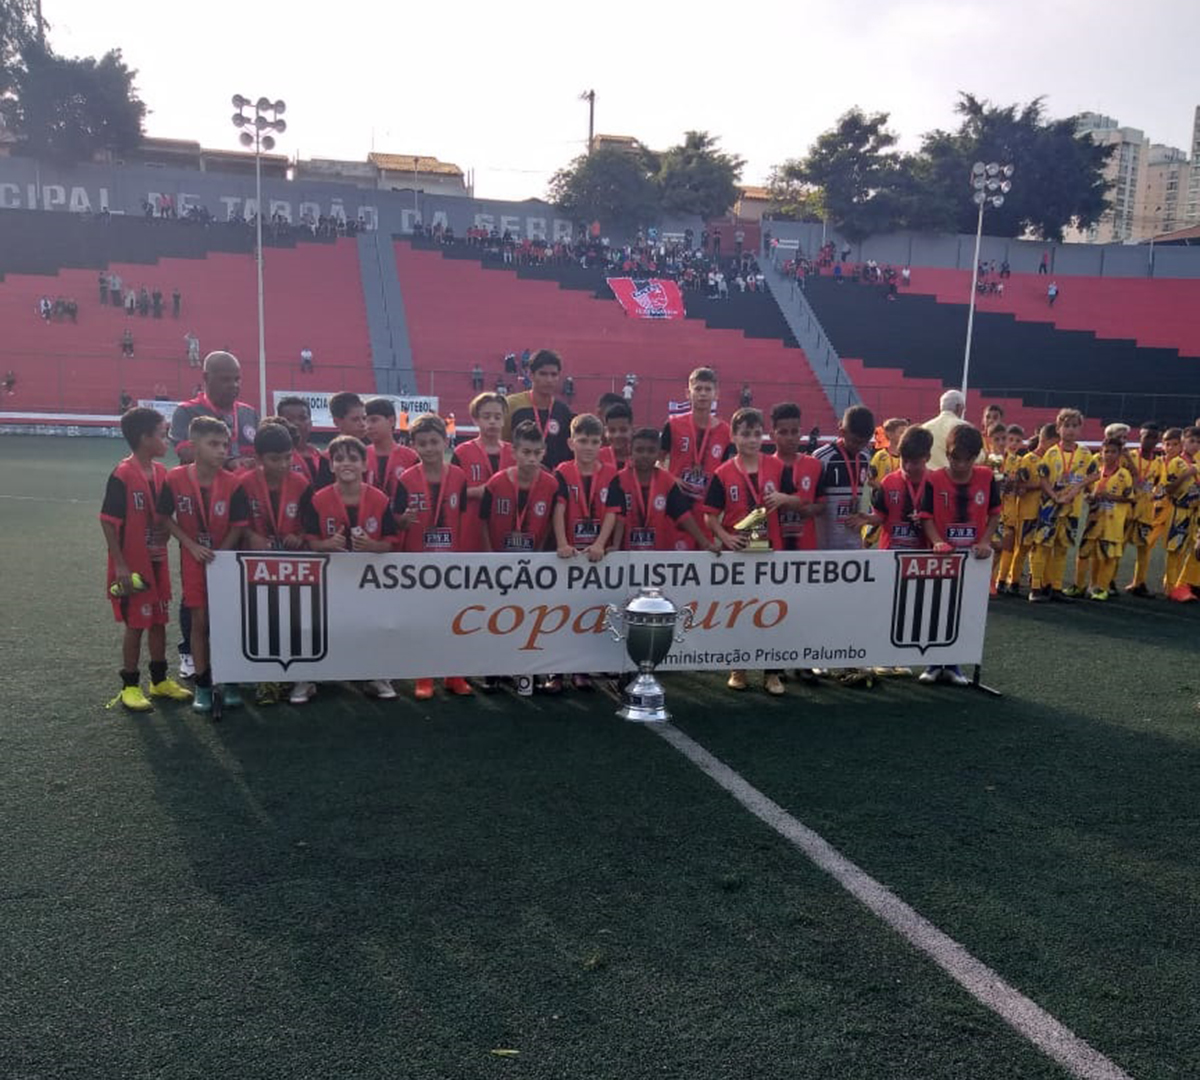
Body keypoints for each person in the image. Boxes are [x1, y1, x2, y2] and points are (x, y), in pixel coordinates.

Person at [99, 407, 192, 712]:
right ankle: (129, 686)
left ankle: (159, 680)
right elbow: (108, 522)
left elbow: (164, 515)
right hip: (133, 566)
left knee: (159, 620)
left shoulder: (162, 473)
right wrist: (121, 565)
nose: (167, 440)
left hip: (158, 561)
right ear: (144, 438)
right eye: (163, 435)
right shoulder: (122, 474)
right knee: (136, 624)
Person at [703, 407, 799, 696]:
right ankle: (738, 668)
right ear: (733, 437)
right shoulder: (722, 473)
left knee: (773, 612)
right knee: (741, 612)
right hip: (740, 554)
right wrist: (724, 537)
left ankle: (772, 673)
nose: (751, 440)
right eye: (745, 434)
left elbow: (798, 501)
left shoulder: (777, 467)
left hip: (771, 551)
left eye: (757, 434)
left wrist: (784, 498)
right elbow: (709, 515)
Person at [158, 417, 251, 714]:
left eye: (225, 444)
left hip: (225, 562)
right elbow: (163, 516)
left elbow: (239, 524)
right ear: (193, 445)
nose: (222, 450)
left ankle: (231, 680)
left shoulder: (233, 483)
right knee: (200, 622)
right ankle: (203, 683)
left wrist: (221, 554)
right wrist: (190, 544)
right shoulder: (174, 479)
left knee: (228, 622)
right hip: (194, 560)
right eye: (213, 444)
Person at [302, 435, 398, 700]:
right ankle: (308, 677)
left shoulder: (379, 499)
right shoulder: (318, 500)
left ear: (365, 464)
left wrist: (371, 545)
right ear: (331, 465)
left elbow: (390, 543)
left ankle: (377, 675)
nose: (347, 464)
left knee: (371, 625)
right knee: (318, 624)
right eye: (339, 459)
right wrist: (326, 543)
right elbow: (308, 541)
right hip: (329, 578)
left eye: (353, 459)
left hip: (369, 578)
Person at [478, 421, 563, 695]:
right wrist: (490, 554)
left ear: (544, 452)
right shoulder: (497, 482)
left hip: (533, 564)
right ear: (513, 451)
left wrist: (540, 553)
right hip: (499, 563)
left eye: (537, 453)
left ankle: (531, 669)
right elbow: (481, 520)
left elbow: (552, 519)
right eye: (526, 452)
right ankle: (493, 670)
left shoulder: (550, 484)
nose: (531, 458)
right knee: (496, 617)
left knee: (530, 617)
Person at [392, 414, 473, 700]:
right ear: (413, 445)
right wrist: (404, 520)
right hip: (418, 561)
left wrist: (461, 556)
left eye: (434, 442)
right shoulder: (406, 479)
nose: (429, 448)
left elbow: (463, 518)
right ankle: (424, 676)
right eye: (422, 443)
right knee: (423, 621)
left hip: (451, 561)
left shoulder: (460, 477)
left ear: (445, 442)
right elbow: (396, 521)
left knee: (454, 620)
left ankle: (455, 675)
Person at [919, 423, 1001, 685]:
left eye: (968, 459)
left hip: (972, 562)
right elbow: (926, 517)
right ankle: (932, 664)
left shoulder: (987, 477)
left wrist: (986, 541)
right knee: (936, 608)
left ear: (976, 456)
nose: (961, 464)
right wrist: (936, 542)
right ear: (948, 453)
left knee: (964, 612)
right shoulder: (933, 478)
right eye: (956, 457)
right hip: (942, 559)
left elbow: (995, 513)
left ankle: (954, 666)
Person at [1029, 409, 1095, 602]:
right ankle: (1036, 587)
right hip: (1050, 508)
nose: (1070, 430)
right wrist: (1054, 496)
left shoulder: (1084, 453)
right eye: (1066, 426)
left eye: (1075, 426)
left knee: (1062, 547)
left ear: (1080, 429)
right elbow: (1043, 478)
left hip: (1072, 510)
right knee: (1042, 546)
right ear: (1058, 428)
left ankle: (1055, 587)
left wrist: (1078, 488)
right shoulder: (1051, 453)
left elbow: (1094, 473)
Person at [661, 367, 732, 541]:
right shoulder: (673, 425)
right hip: (676, 506)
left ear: (716, 394)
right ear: (688, 393)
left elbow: (724, 473)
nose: (703, 394)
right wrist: (671, 479)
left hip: (706, 510)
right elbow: (657, 462)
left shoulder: (725, 431)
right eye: (698, 389)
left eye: (708, 389)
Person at [618, 429, 715, 553]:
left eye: (651, 451)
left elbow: (683, 515)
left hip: (658, 555)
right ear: (630, 452)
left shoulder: (666, 481)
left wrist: (705, 544)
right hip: (624, 556)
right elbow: (614, 517)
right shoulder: (619, 480)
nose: (645, 455)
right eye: (639, 450)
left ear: (659, 453)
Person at [452, 392, 515, 552]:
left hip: (506, 526)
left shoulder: (514, 453)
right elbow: (450, 494)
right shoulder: (462, 452)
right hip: (471, 527)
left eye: (497, 416)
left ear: (504, 419)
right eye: (486, 417)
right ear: (476, 419)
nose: (492, 421)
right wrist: (475, 492)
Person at [1078, 438, 1134, 602]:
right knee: (1087, 553)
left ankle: (1102, 588)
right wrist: (1090, 498)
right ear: (1101, 453)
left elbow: (1129, 498)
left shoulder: (1124, 475)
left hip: (1113, 522)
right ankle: (1082, 586)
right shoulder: (1097, 473)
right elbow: (1088, 493)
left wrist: (1110, 496)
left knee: (1108, 556)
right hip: (1094, 520)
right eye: (1106, 451)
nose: (1109, 455)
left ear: (1119, 454)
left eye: (1113, 451)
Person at [504, 349, 574, 469]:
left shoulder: (563, 411)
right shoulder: (512, 405)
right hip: (519, 479)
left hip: (552, 482)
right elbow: (502, 446)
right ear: (531, 375)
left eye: (553, 374)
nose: (549, 380)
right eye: (543, 374)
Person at [769, 402, 822, 553]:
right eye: (783, 432)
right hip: (773, 550)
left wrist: (811, 509)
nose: (790, 437)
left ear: (801, 432)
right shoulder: (763, 467)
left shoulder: (815, 465)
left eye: (794, 432)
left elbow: (821, 504)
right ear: (773, 435)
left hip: (806, 549)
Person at [1125, 423, 1164, 596]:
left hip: (1146, 511)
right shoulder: (1130, 457)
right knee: (1119, 546)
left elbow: (1157, 485)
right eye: (1146, 436)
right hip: (1127, 509)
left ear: (1158, 439)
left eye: (1153, 437)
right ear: (1139, 437)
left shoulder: (1158, 463)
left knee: (1144, 548)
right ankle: (1108, 581)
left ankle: (1138, 583)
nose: (1149, 441)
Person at [1162, 427, 1200, 601]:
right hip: (1179, 512)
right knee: (1175, 550)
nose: (1195, 445)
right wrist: (1186, 475)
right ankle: (1171, 588)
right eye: (1191, 441)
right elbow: (1169, 489)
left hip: (1194, 513)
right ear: (1183, 440)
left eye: (1198, 442)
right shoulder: (1176, 462)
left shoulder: (1198, 463)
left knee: (1193, 551)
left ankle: (1183, 586)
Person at [993, 424, 1027, 595]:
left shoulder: (1019, 462)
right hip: (994, 509)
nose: (1013, 443)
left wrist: (1019, 487)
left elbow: (1021, 489)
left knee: (1008, 546)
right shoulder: (993, 459)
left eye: (1017, 441)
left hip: (1011, 508)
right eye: (1010, 439)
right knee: (995, 545)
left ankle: (1001, 580)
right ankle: (989, 580)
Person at [863, 418, 907, 547]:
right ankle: (862, 549)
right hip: (880, 499)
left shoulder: (906, 457)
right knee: (874, 529)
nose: (904, 435)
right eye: (901, 432)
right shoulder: (880, 456)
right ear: (890, 434)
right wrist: (884, 489)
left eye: (906, 432)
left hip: (900, 500)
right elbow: (870, 480)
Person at [363, 396, 419, 495]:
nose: (368, 426)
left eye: (374, 420)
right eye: (365, 421)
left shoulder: (410, 457)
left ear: (391, 421)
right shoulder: (361, 455)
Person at [276, 396, 323, 484]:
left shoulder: (320, 456)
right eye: (289, 419)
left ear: (310, 423)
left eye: (302, 418)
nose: (296, 423)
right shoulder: (271, 457)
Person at [921, 389, 966, 471]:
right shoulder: (963, 427)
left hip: (927, 478)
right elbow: (978, 456)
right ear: (958, 407)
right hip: (952, 478)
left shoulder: (923, 428)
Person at [599, 400, 633, 471]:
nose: (617, 435)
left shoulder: (639, 457)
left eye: (623, 430)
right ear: (605, 431)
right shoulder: (597, 458)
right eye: (612, 430)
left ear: (631, 429)